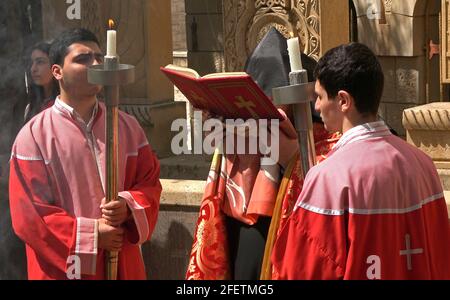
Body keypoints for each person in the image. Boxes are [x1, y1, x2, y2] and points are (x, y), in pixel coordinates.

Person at [271, 42, 450, 280]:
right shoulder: (424, 165)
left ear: (343, 100)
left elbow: (304, 268)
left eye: (320, 96)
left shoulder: (328, 178)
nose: (316, 106)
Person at [186, 28, 340, 280]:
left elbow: (323, 176)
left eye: (278, 101)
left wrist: (289, 151)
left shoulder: (321, 133)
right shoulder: (238, 129)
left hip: (295, 226)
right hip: (244, 221)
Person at [9, 28, 162, 280]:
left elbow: (150, 183)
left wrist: (127, 206)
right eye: (83, 59)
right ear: (57, 71)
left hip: (121, 260)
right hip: (65, 269)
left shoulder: (128, 127)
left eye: (99, 57)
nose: (96, 64)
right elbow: (29, 215)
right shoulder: (33, 137)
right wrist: (92, 235)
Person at [24, 42, 59, 123]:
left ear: (55, 67)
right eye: (32, 63)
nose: (33, 69)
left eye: (40, 62)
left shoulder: (65, 105)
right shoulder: (31, 106)